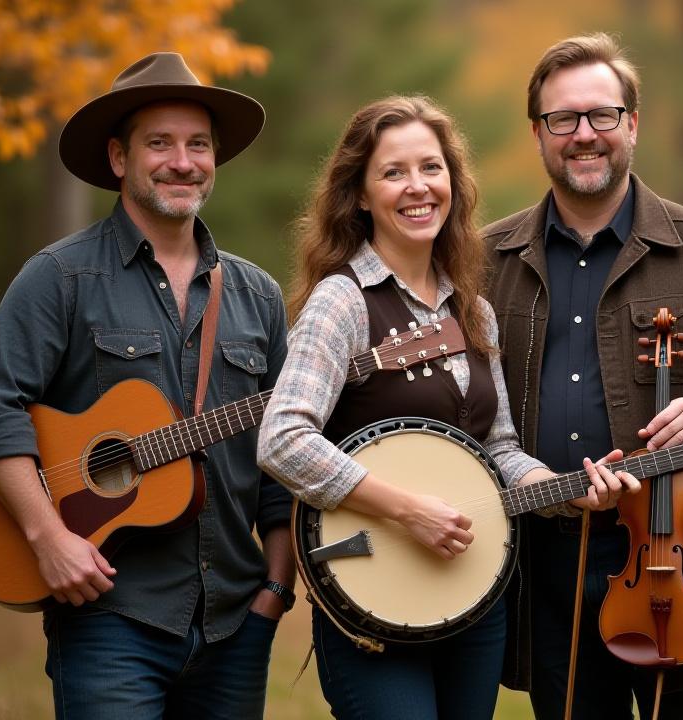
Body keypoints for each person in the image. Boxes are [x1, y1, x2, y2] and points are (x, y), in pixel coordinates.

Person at [256, 95, 635, 720]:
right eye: (393, 172)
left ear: (453, 184)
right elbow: (282, 439)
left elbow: (499, 450)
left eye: (431, 168)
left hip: (473, 600)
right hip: (369, 596)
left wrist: (561, 489)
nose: (417, 188)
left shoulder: (473, 310)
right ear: (359, 194)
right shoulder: (341, 302)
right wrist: (407, 511)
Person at [0, 53, 294, 718]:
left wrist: (274, 589)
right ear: (118, 158)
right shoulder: (62, 277)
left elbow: (281, 458)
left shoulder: (257, 296)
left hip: (234, 623)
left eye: (198, 145)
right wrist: (48, 537)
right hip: (109, 618)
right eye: (159, 143)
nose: (182, 162)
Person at [482, 33, 683, 720]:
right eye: (563, 120)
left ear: (632, 124)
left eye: (602, 115)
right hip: (550, 560)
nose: (584, 135)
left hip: (682, 556)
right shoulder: (484, 258)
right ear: (538, 134)